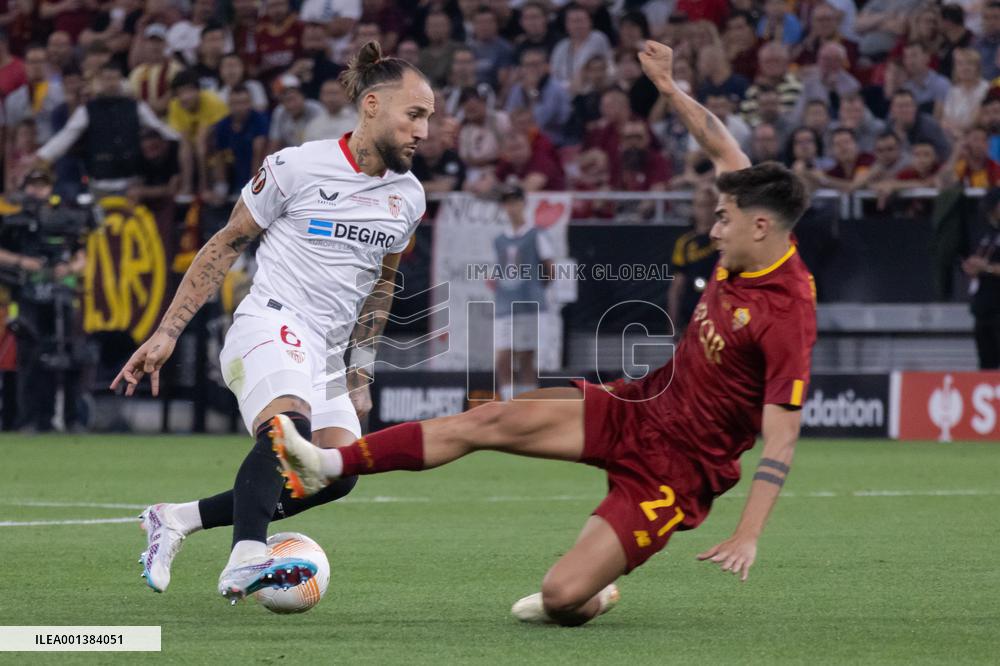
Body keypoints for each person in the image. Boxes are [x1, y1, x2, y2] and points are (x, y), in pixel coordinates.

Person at [273, 40, 817, 627]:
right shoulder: (750, 215)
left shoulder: (786, 315)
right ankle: (329, 465)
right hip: (638, 405)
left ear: (761, 227)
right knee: (487, 419)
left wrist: (748, 534)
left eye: (723, 221)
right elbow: (717, 140)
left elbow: (781, 441)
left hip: (677, 472)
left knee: (560, 598)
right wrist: (665, 86)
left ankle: (593, 590)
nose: (713, 231)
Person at [114, 41, 433, 604]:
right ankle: (246, 558)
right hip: (271, 322)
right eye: (415, 114)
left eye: (428, 118)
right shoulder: (297, 166)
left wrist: (359, 374)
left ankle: (176, 518)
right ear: (373, 105)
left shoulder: (408, 197)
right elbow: (226, 243)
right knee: (288, 434)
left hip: (330, 354)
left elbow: (382, 285)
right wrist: (167, 332)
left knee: (338, 472)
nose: (424, 131)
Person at [492, 185, 555, 402]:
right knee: (503, 355)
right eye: (507, 203)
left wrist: (535, 290)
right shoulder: (500, 239)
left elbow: (549, 268)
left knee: (527, 356)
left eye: (515, 202)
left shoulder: (536, 234)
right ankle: (509, 402)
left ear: (523, 204)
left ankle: (528, 403)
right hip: (505, 306)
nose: (512, 207)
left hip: (529, 305)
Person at [668, 184, 718, 334]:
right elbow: (677, 285)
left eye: (710, 205)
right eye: (702, 205)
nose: (706, 211)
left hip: (721, 311)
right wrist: (672, 322)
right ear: (694, 208)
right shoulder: (685, 243)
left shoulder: (727, 238)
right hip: (692, 313)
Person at [962, 188, 1000, 369]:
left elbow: (988, 266)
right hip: (983, 308)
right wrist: (971, 267)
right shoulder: (985, 233)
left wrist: (986, 268)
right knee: (986, 365)